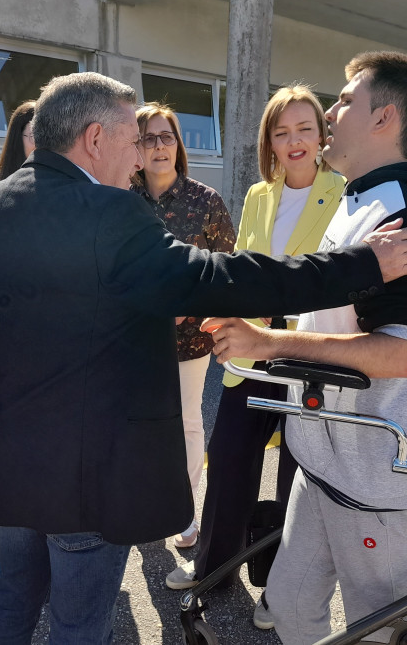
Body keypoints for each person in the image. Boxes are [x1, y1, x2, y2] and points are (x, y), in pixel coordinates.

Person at [0, 71, 407, 644]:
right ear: (94, 138)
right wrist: (363, 265)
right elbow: (221, 276)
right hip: (88, 470)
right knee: (78, 622)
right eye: (133, 139)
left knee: (11, 599)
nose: (140, 156)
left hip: (14, 454)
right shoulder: (109, 213)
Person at [201, 51, 407, 644]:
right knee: (291, 606)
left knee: (380, 632)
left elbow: (398, 355)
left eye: (347, 99)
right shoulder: (359, 199)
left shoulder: (405, 214)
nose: (333, 110)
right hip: (322, 460)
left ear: (384, 118)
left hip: (376, 478)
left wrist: (266, 339)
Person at [166, 84, 344, 590]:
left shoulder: (344, 192)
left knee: (297, 471)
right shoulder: (259, 194)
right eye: (281, 131)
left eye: (304, 129)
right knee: (228, 460)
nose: (294, 141)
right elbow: (240, 266)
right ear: (269, 141)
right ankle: (213, 569)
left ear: (322, 134)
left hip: (309, 355)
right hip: (251, 350)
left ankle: (282, 586)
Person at [131, 101, 236, 548]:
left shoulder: (205, 200)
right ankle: (139, 503)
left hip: (189, 338)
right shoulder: (120, 197)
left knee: (187, 423)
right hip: (131, 338)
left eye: (167, 136)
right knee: (136, 423)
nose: (159, 146)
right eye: (148, 138)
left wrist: (188, 308)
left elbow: (225, 266)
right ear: (135, 147)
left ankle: (183, 510)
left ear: (178, 145)